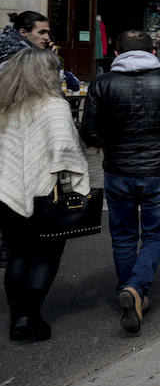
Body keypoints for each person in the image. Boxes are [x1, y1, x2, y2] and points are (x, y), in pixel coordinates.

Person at [79, 30, 160, 335]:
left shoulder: (102, 83)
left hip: (118, 169)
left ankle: (132, 291)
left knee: (122, 235)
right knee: (156, 235)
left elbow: (89, 132)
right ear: (151, 51)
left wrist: (113, 144)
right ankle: (136, 288)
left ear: (117, 53)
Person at [0, 48, 90, 341]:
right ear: (44, 73)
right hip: (46, 190)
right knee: (46, 255)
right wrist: (76, 183)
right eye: (55, 69)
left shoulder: (5, 105)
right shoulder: (54, 106)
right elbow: (63, 150)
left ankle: (18, 317)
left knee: (17, 254)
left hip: (6, 191)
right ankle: (29, 316)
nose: (59, 74)